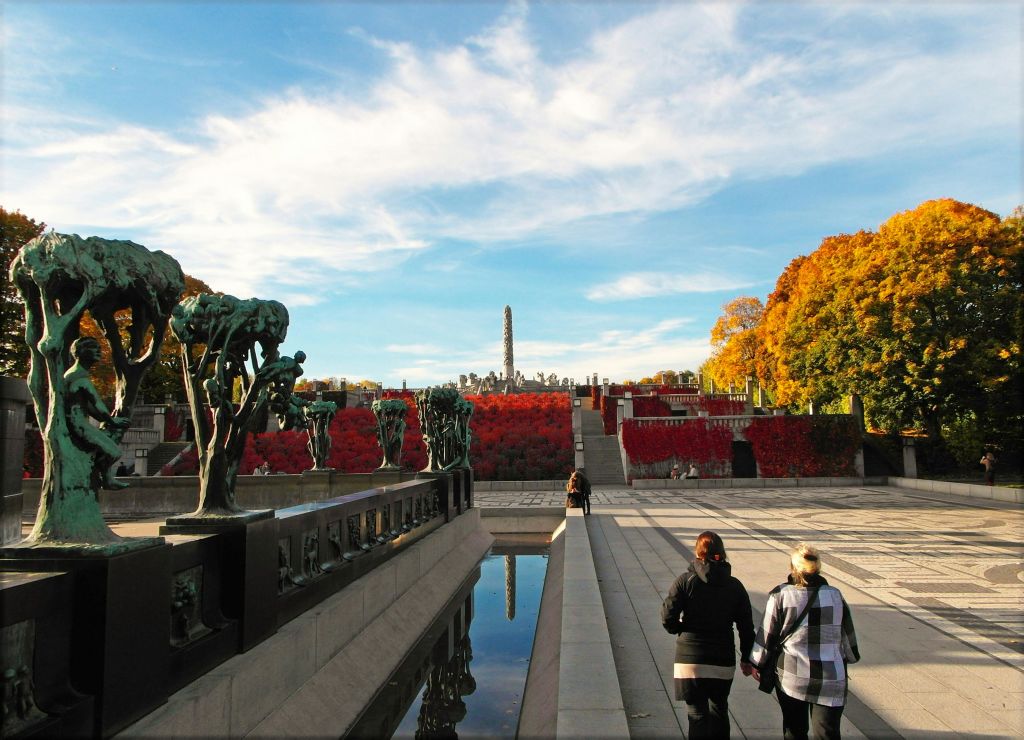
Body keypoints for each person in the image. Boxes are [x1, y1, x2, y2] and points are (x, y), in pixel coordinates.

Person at [750, 543, 860, 740]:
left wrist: (756, 662)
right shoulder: (835, 595)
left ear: (794, 568)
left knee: (794, 730)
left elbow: (767, 634)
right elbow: (847, 637)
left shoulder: (781, 594)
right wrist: (851, 656)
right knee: (827, 733)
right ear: (818, 568)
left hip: (793, 676)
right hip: (830, 676)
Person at [661, 531, 754, 739]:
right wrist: (747, 658)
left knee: (697, 714)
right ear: (722, 553)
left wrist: (679, 628)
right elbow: (746, 627)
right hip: (722, 659)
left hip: (690, 658)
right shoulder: (735, 586)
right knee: (719, 709)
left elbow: (667, 616)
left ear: (698, 553)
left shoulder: (685, 581)